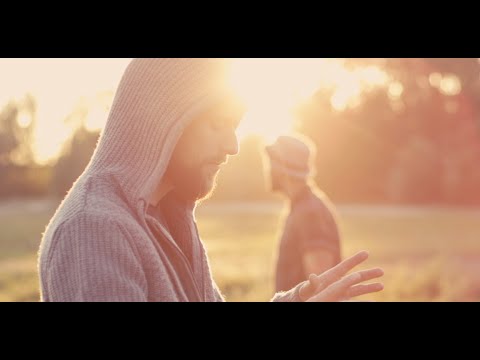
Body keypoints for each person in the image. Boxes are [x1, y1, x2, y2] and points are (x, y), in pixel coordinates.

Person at [38, 58, 383, 302]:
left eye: (235, 127)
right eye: (218, 124)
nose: (232, 146)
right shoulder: (93, 230)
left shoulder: (172, 220)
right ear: (165, 119)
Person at [264, 135, 342, 293]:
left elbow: (320, 287)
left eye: (271, 161)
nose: (268, 168)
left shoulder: (309, 212)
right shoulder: (300, 207)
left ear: (281, 166)